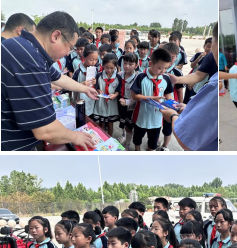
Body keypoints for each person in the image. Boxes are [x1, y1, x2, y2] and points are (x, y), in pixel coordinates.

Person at [1, 11, 98, 151]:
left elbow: (58, 77)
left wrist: (85, 89)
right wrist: (75, 136)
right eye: (70, 48)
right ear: (55, 36)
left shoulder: (22, 46)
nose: (67, 53)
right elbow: (45, 130)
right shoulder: (31, 62)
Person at [159, 23, 219, 151]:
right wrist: (177, 80)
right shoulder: (210, 60)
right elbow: (198, 74)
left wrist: (172, 116)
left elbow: (186, 141)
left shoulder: (214, 87)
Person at [130, 48, 174, 151]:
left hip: (157, 119)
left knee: (153, 143)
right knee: (137, 140)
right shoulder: (141, 77)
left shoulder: (165, 78)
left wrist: (173, 104)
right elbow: (134, 96)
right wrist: (152, 98)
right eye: (160, 68)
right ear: (151, 63)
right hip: (141, 117)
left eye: (166, 68)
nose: (163, 71)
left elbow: (168, 94)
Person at [93, 53, 122, 137]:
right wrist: (98, 91)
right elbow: (96, 87)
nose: (109, 70)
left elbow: (118, 90)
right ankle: (101, 137)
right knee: (101, 123)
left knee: (110, 123)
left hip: (112, 104)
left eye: (112, 68)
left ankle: (109, 138)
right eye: (106, 67)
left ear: (115, 66)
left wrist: (115, 95)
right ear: (103, 66)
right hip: (101, 103)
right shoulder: (99, 76)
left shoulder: (118, 77)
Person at [118, 52, 139, 150]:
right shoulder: (119, 75)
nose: (127, 66)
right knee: (122, 122)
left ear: (136, 65)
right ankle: (123, 135)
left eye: (130, 64)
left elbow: (136, 96)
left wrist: (127, 102)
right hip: (121, 104)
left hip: (131, 107)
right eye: (125, 63)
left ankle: (127, 143)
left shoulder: (137, 78)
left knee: (129, 126)